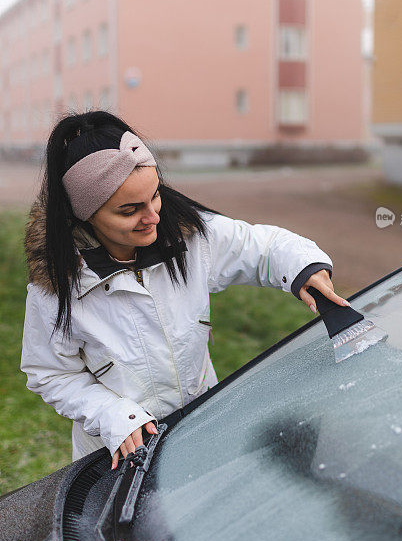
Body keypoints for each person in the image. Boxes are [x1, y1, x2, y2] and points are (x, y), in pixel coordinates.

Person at [21, 111, 348, 469]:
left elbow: (262, 247)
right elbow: (50, 373)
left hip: (201, 433)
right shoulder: (57, 288)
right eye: (130, 210)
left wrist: (303, 268)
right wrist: (113, 415)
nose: (153, 217)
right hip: (119, 461)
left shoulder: (190, 239)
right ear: (85, 214)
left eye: (154, 196)